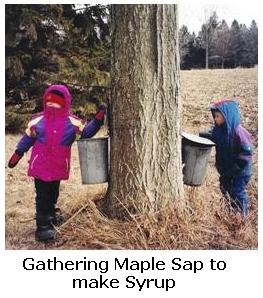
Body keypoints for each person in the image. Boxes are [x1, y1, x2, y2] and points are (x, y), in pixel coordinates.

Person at [8, 84, 106, 241]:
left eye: (57, 102)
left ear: (65, 102)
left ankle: (51, 216)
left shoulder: (72, 122)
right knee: (42, 196)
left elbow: (86, 133)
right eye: (49, 101)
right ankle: (43, 227)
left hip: (58, 166)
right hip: (40, 165)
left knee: (53, 193)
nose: (52, 104)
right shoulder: (37, 121)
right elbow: (28, 138)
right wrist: (18, 153)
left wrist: (97, 120)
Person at [199, 99, 252, 216]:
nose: (216, 119)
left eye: (218, 116)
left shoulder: (239, 132)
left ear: (227, 116)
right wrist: (203, 136)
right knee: (225, 189)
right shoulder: (219, 131)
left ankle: (243, 215)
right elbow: (214, 137)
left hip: (240, 171)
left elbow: (246, 151)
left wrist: (237, 167)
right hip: (226, 170)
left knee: (237, 192)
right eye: (215, 116)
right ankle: (231, 212)